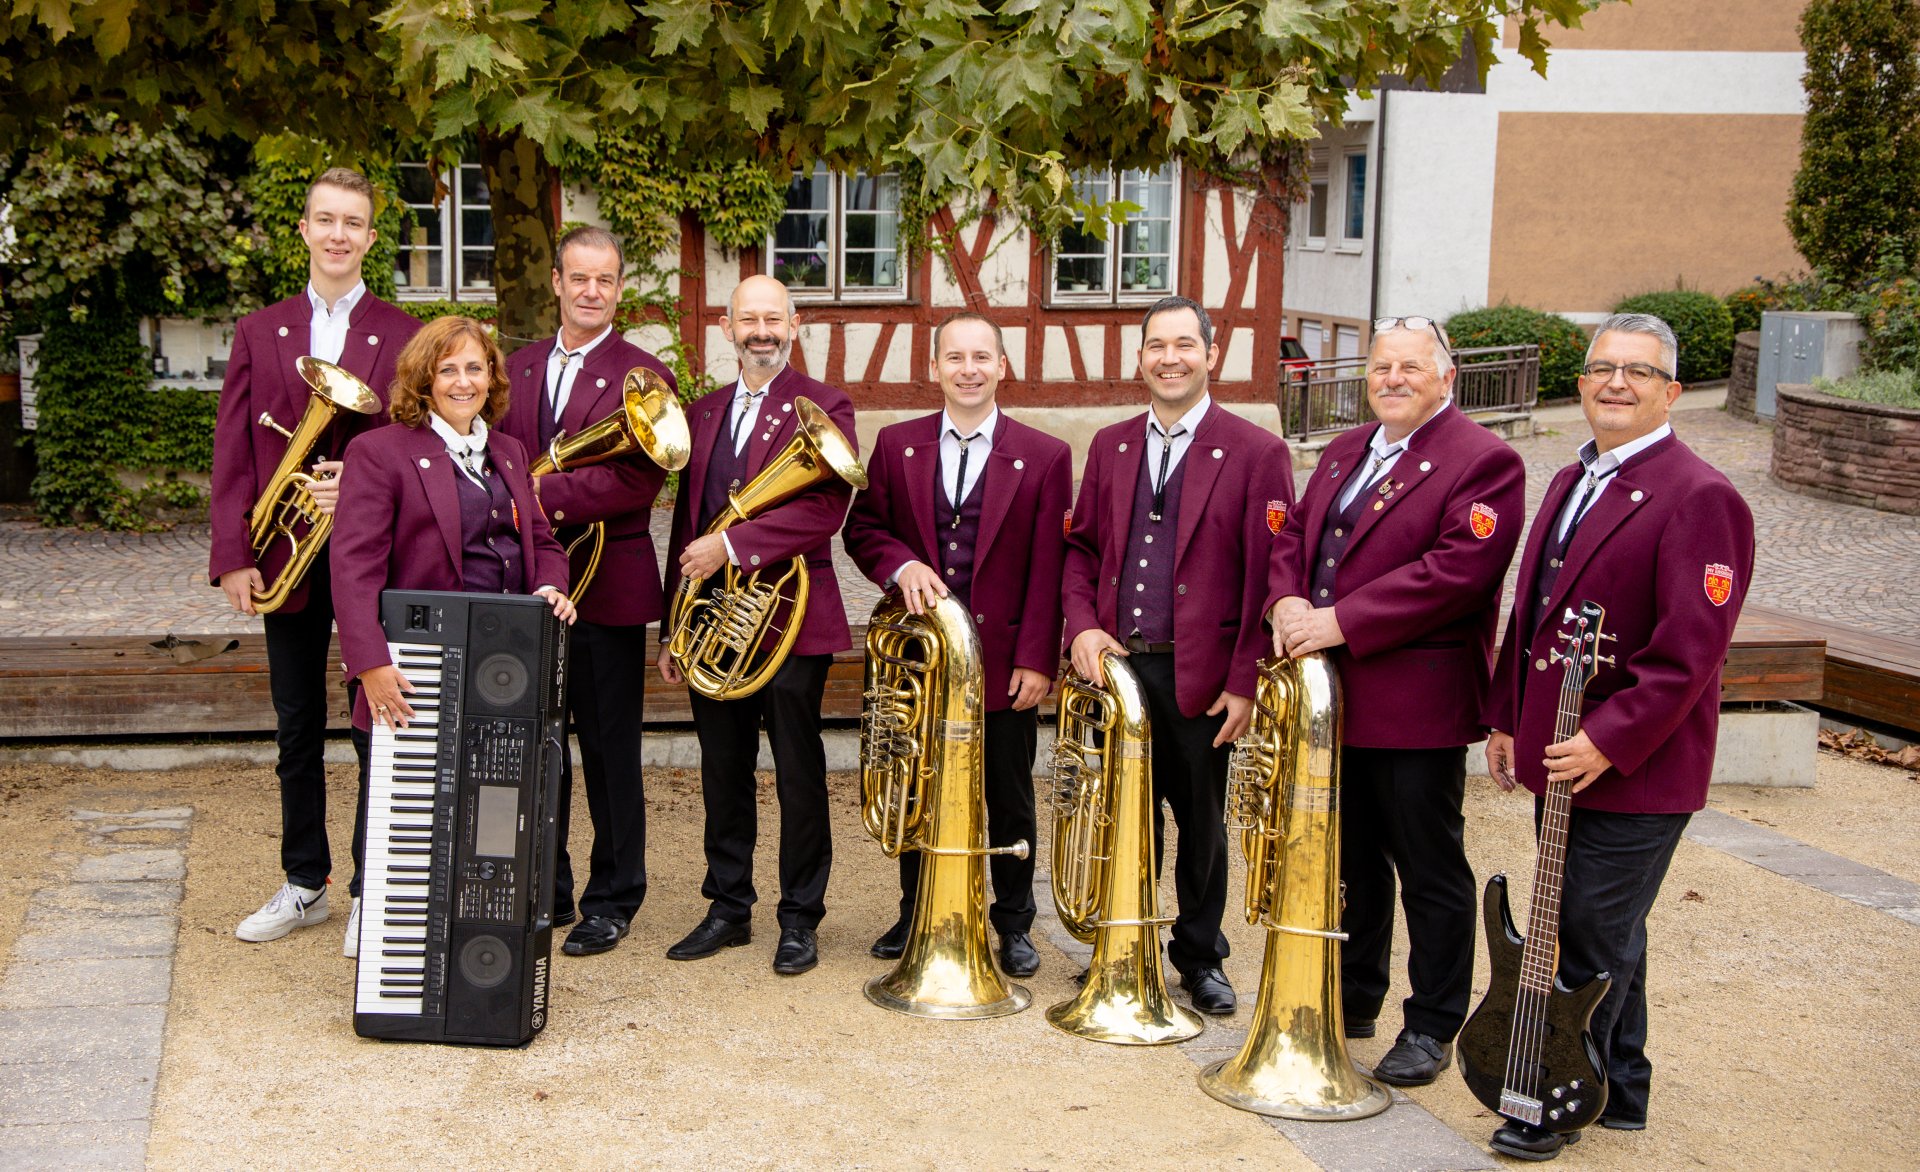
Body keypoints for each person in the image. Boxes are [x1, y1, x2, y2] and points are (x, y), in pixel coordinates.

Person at [1482, 313, 1754, 1161]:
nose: (1616, 384)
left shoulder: (1701, 496)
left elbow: (1689, 654)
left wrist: (1606, 739)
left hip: (1636, 767)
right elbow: (1530, 616)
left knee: (1586, 931)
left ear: (1673, 392)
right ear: (1582, 381)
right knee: (1608, 930)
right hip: (1558, 749)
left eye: (1639, 372)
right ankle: (1622, 1089)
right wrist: (1504, 714)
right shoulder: (1570, 479)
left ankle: (1550, 1098)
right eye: (1602, 367)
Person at [1266, 316, 1527, 1085]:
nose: (1393, 378)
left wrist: (1337, 621)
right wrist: (1284, 599)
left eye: (1411, 366)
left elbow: (1458, 573)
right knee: (1352, 861)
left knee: (1428, 866)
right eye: (1382, 366)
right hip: (1332, 700)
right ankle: (1354, 998)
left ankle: (1433, 1023)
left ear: (1447, 377)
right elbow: (1295, 535)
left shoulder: (1485, 462)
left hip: (1417, 704)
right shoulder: (1347, 450)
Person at [1061, 295, 1295, 1015]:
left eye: (1185, 345)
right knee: (1118, 813)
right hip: (1120, 669)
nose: (1170, 358)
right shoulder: (1112, 444)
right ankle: (1122, 941)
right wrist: (1080, 628)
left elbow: (1272, 572)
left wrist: (1248, 680)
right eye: (1157, 346)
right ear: (1140, 358)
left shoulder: (1259, 451)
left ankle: (1199, 956)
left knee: (1201, 825)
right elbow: (1082, 549)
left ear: (1211, 355)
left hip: (1203, 675)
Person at [211, 167, 422, 950]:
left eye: (353, 222)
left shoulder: (402, 334)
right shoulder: (257, 330)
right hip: (285, 552)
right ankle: (306, 881)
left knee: (381, 723)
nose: (338, 234)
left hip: (379, 555)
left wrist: (363, 486)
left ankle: (376, 886)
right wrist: (234, 554)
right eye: (325, 219)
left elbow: (418, 439)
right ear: (303, 229)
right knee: (296, 725)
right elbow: (234, 447)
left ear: (371, 237)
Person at [842, 311, 1072, 977]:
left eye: (982, 358)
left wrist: (1037, 659)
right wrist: (900, 565)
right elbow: (865, 531)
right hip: (921, 662)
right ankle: (917, 908)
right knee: (915, 783)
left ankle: (1014, 923)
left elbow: (1048, 568)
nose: (969, 369)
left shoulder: (1046, 455)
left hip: (1003, 664)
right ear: (934, 368)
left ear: (1003, 367)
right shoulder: (896, 444)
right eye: (955, 357)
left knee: (1008, 792)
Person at [656, 274, 857, 977]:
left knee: (799, 772)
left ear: (795, 324)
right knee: (722, 768)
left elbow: (826, 509)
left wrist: (736, 547)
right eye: (750, 320)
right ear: (726, 327)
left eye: (775, 319)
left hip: (791, 619)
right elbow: (687, 526)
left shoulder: (826, 405)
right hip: (713, 618)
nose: (762, 331)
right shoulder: (702, 412)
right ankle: (728, 906)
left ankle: (800, 917)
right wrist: (671, 628)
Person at [495, 226, 677, 959]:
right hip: (531, 583)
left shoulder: (644, 375)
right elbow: (495, 452)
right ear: (556, 281)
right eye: (580, 278)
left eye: (605, 280)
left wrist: (541, 496)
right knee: (539, 745)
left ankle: (614, 895)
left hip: (608, 586)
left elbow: (642, 479)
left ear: (620, 288)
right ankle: (550, 885)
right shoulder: (516, 367)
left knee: (609, 751)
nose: (592, 291)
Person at [329, 315, 575, 842]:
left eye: (474, 368)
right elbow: (352, 570)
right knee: (402, 806)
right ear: (424, 381)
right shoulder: (378, 453)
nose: (463, 382)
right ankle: (368, 910)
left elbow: (543, 541)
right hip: (418, 661)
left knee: (488, 804)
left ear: (491, 377)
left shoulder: (508, 452)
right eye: (447, 370)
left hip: (503, 660)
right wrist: (369, 665)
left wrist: (552, 585)